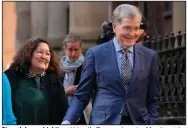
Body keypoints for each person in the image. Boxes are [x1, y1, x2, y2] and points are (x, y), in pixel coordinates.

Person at [62, 4, 160, 125]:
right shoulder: (95, 54)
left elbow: (153, 99)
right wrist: (67, 121)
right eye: (127, 28)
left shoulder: (150, 56)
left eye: (136, 28)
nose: (133, 33)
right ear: (114, 27)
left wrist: (151, 123)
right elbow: (82, 95)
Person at [4, 37, 68, 125]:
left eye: (47, 54)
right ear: (28, 54)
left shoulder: (54, 80)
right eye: (40, 52)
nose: (44, 57)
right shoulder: (10, 77)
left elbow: (63, 111)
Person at [60, 33, 91, 124]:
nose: (73, 54)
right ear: (65, 49)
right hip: (62, 112)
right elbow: (51, 92)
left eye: (76, 50)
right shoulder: (58, 67)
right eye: (70, 50)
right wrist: (67, 91)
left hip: (84, 113)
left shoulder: (88, 66)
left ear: (81, 49)